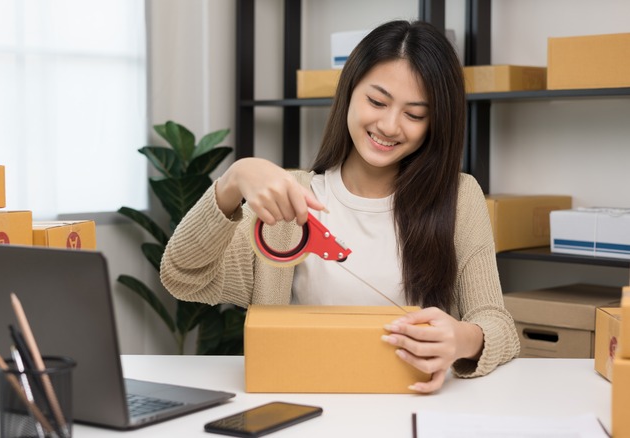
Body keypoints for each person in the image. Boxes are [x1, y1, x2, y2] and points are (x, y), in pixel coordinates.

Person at [160, 20, 520, 393]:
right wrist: (232, 181)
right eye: (377, 102)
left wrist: (463, 339)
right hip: (299, 399)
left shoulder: (458, 197)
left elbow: (498, 325)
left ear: (435, 123)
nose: (390, 125)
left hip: (413, 405)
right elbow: (182, 276)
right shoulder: (289, 200)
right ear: (349, 92)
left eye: (414, 114)